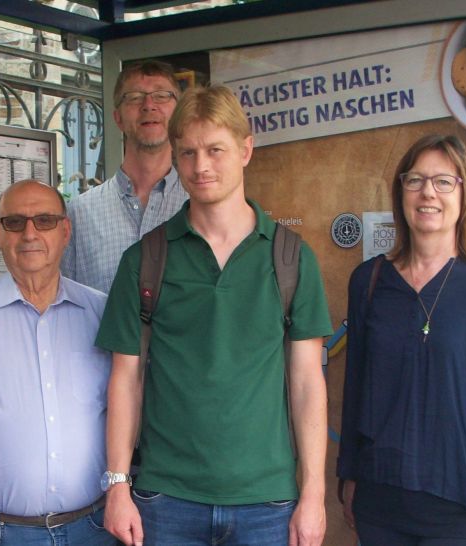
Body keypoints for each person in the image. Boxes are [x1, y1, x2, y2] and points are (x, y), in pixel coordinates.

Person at [96, 85, 333, 546]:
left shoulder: (290, 258)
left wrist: (314, 493)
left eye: (215, 150)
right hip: (166, 498)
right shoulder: (145, 259)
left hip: (267, 500)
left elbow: (307, 381)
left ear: (246, 149)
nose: (200, 166)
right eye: (187, 152)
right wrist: (118, 485)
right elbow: (126, 378)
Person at [337, 134, 466, 546]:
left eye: (444, 181)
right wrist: (349, 478)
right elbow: (355, 390)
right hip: (381, 506)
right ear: (401, 193)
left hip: (463, 511)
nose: (428, 192)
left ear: (465, 195)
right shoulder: (369, 281)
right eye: (415, 180)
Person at [0, 180, 115, 546]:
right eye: (16, 222)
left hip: (95, 528)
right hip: (0, 533)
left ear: (65, 231)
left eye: (45, 221)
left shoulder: (102, 314)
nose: (30, 233)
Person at [63, 59, 188, 293]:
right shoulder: (79, 214)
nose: (149, 105)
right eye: (134, 97)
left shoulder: (198, 205)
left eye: (161, 95)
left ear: (179, 113)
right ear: (117, 118)